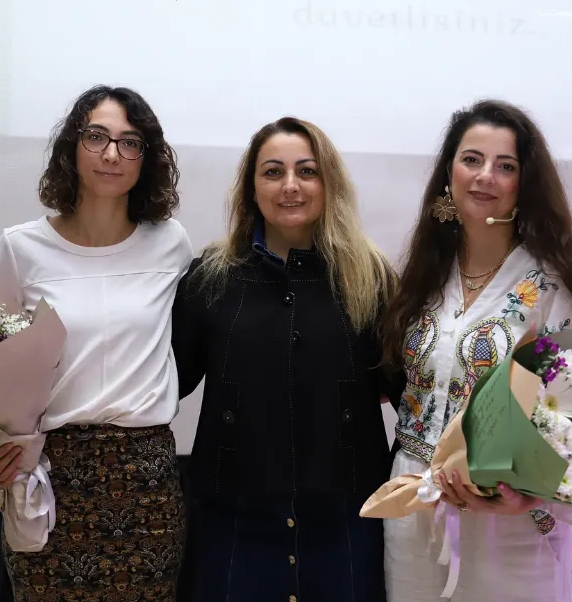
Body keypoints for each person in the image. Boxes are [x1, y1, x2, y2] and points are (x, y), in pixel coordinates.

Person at [379, 100, 572, 602]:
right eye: (472, 159)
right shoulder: (425, 274)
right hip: (414, 510)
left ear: (524, 183)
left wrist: (525, 499)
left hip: (513, 528)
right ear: (448, 172)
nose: (485, 176)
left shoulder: (556, 288)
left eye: (505, 165)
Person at [0, 85, 193, 601]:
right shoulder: (21, 247)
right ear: (72, 145)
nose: (112, 154)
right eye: (96, 137)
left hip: (146, 480)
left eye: (129, 142)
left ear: (146, 159)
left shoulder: (170, 243)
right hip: (50, 474)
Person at [171, 117, 403, 602]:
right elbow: (165, 383)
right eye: (273, 172)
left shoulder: (374, 278)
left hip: (346, 520)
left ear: (329, 184)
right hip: (233, 520)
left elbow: (409, 394)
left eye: (307, 171)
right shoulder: (210, 278)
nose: (290, 186)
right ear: (251, 189)